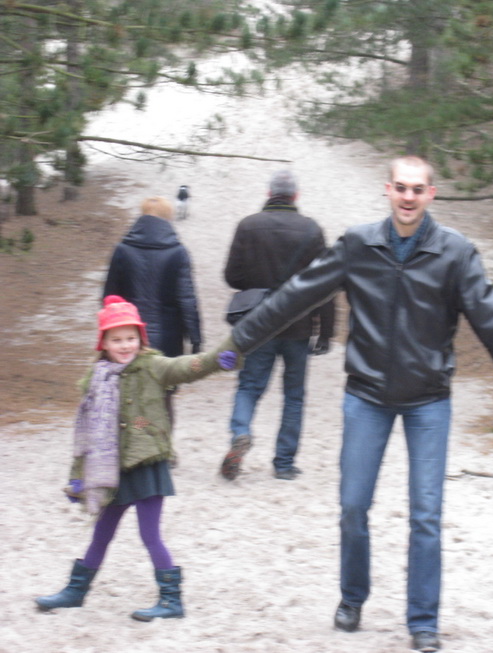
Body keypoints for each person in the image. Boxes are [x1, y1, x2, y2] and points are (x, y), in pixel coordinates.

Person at [229, 155, 493, 652]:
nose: (408, 197)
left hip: (428, 401)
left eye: (418, 189)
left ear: (431, 195)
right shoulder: (358, 245)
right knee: (353, 506)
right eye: (401, 187)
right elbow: (297, 295)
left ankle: (423, 620)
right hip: (367, 396)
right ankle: (352, 598)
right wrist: (240, 341)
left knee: (425, 514)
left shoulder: (455, 253)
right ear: (387, 190)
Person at [34, 296, 240, 621]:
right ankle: (76, 591)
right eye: (117, 339)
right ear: (103, 342)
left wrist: (221, 358)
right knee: (101, 533)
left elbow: (188, 367)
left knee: (150, 534)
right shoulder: (97, 379)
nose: (125, 345)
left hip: (147, 465)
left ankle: (172, 600)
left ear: (140, 338)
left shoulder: (153, 367)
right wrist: (78, 476)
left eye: (131, 338)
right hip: (112, 470)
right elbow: (86, 432)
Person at [220, 169, 335, 482]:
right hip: (298, 326)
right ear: (295, 196)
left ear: (269, 193)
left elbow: (232, 276)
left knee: (249, 386)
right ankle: (284, 463)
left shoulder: (248, 226)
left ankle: (240, 434)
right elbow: (325, 284)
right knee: (294, 395)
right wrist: (326, 331)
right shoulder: (312, 230)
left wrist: (258, 284)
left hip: (258, 324)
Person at [103, 196, 203, 426]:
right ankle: (164, 451)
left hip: (128, 335)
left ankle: (132, 450)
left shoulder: (122, 250)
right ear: (168, 219)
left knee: (129, 394)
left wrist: (107, 337)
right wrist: (196, 340)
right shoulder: (178, 252)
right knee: (165, 394)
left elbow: (109, 298)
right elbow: (187, 299)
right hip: (168, 337)